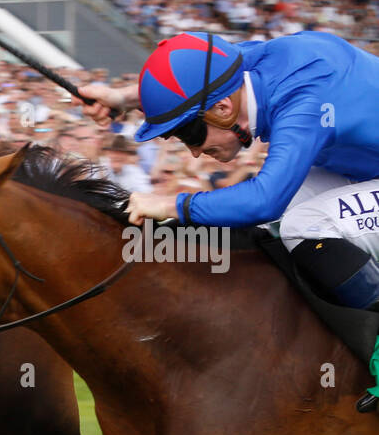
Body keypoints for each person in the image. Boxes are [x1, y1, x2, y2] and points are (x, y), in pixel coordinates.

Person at [81, 30, 379, 313]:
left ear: (223, 109)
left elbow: (264, 200)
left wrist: (171, 204)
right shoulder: (247, 65)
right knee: (273, 223)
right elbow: (195, 72)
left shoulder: (304, 102)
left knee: (303, 224)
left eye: (191, 135)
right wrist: (121, 98)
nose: (194, 152)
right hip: (364, 170)